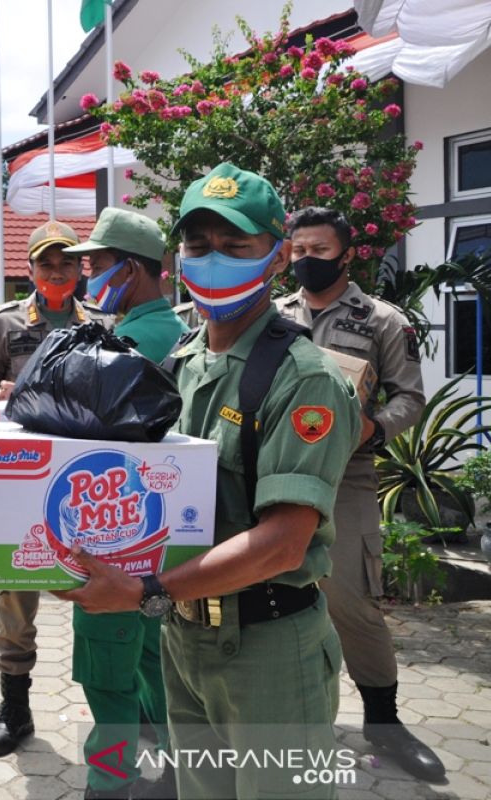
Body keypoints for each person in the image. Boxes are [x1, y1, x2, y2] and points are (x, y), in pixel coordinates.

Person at [54, 163, 362, 800]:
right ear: (178, 256)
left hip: (269, 647)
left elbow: (282, 543)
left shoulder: (304, 379)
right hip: (181, 638)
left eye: (235, 247)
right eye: (198, 246)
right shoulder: (181, 363)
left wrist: (144, 590)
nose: (212, 260)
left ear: (276, 259)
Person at [276, 207, 441, 782]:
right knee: (269, 594)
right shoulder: (273, 316)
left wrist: (368, 428)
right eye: (298, 251)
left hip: (346, 477)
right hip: (275, 474)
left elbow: (409, 400)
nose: (306, 262)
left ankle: (384, 723)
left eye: (319, 252)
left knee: (351, 601)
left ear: (348, 255)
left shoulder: (382, 321)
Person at [62, 206, 187, 799]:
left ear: (132, 270)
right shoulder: (178, 332)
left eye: (96, 263)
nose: (86, 274)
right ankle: (176, 769)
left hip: (112, 531)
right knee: (152, 662)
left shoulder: (131, 342)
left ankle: (108, 781)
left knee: (107, 671)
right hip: (159, 539)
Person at [0, 219, 99, 756]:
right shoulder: (5, 324)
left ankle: (114, 706)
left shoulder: (99, 325)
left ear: (79, 269)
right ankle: (15, 707)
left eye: (67, 262)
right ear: (30, 269)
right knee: (17, 591)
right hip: (24, 476)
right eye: (47, 263)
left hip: (87, 479)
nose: (57, 271)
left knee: (100, 588)